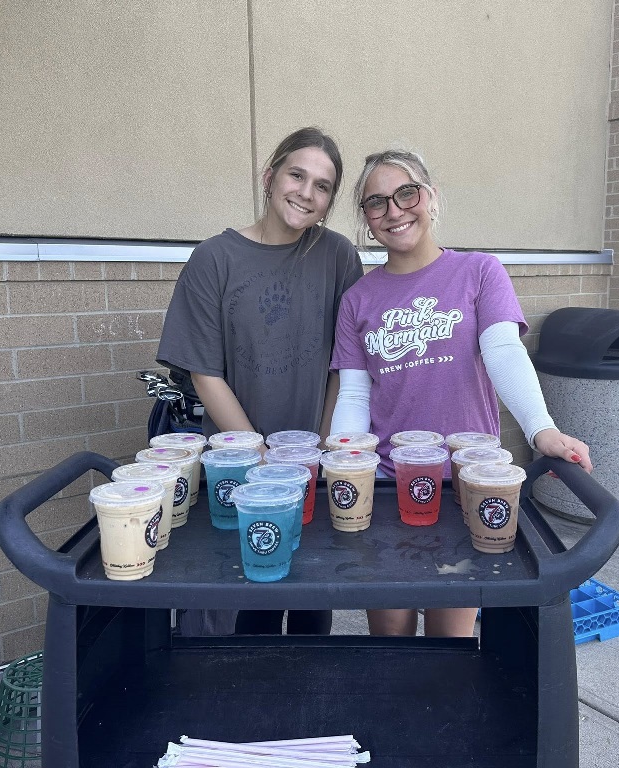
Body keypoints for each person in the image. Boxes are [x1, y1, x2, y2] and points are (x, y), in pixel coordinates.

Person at [329, 149, 593, 639]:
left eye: (406, 193)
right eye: (376, 202)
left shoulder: (479, 271)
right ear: (366, 219)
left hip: (467, 483)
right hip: (388, 485)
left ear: (430, 197)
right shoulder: (357, 299)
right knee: (391, 634)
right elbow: (354, 397)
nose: (394, 210)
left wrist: (542, 430)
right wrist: (345, 464)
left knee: (450, 638)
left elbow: (503, 351)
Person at [157, 127, 364, 636]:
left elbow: (345, 365)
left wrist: (320, 449)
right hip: (241, 468)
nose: (306, 193)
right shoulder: (214, 258)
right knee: (253, 600)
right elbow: (205, 372)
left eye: (322, 186)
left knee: (314, 597)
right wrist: (262, 460)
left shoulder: (339, 257)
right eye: (297, 175)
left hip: (315, 467)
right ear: (270, 177)